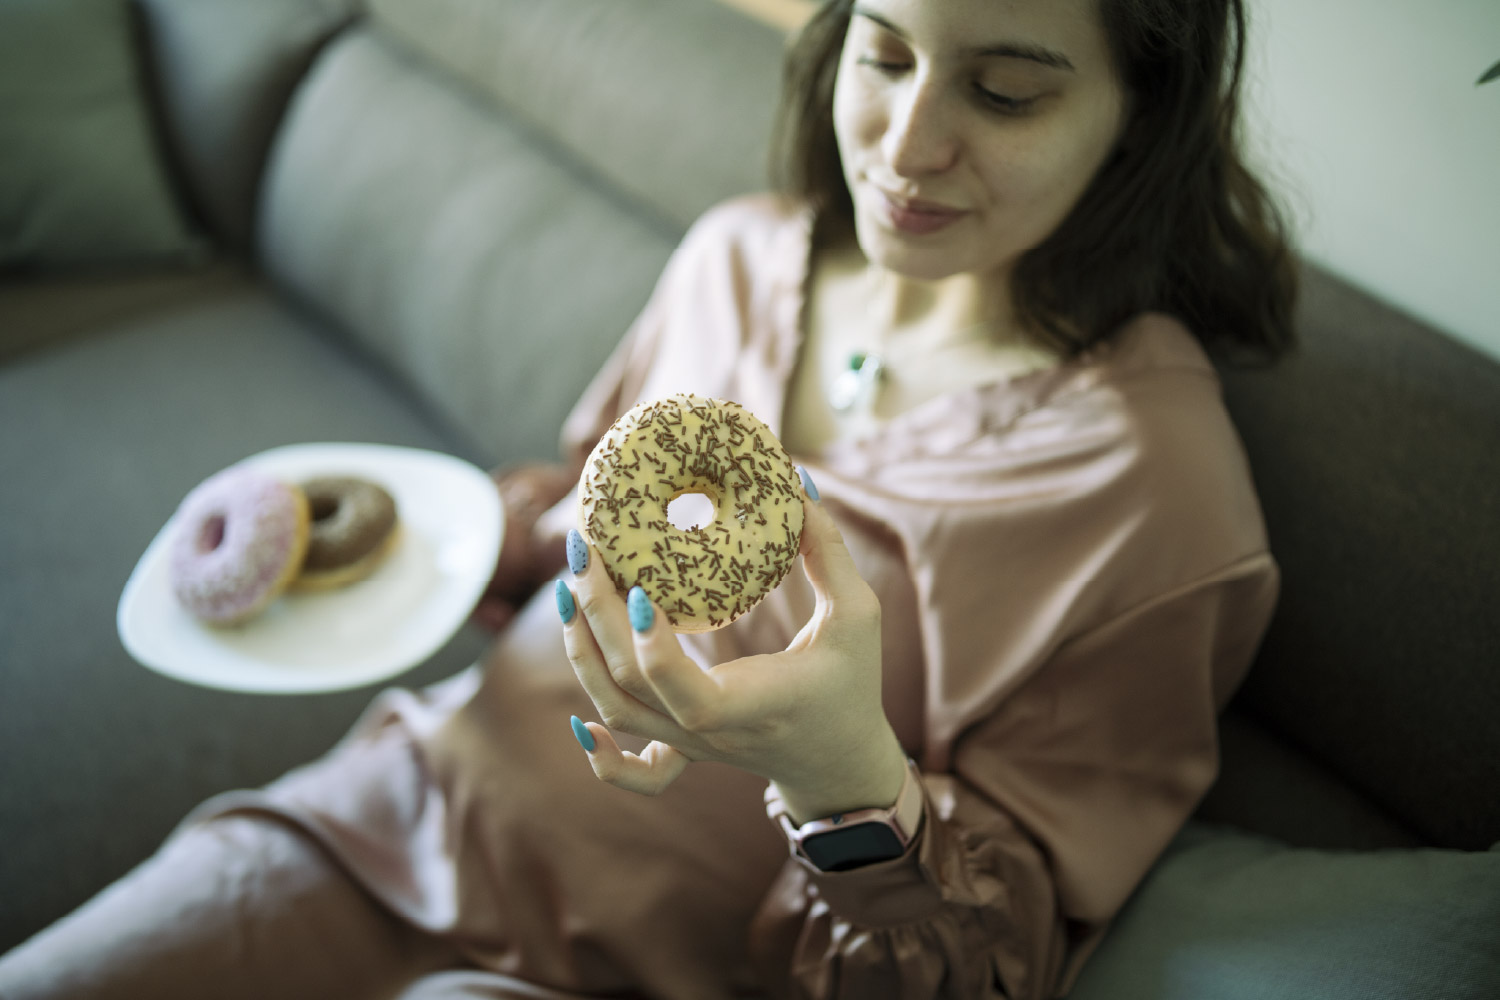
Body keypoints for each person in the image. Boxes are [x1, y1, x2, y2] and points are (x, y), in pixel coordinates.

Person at [0, 0, 1296, 997]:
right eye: (884, 53)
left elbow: (979, 965)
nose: (907, 145)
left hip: (655, 973)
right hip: (401, 808)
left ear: (1141, 112)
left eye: (1005, 91)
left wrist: (844, 775)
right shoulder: (737, 255)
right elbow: (582, 512)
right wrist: (462, 544)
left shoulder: (1154, 494)